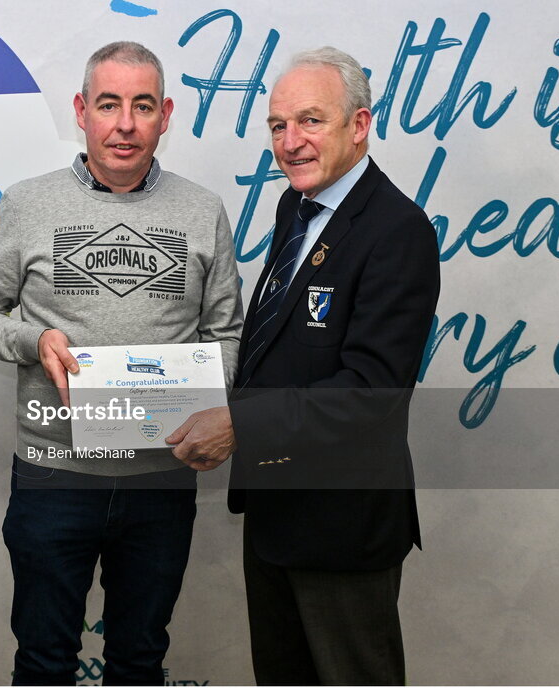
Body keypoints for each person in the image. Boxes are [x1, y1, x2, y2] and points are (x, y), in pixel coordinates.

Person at [0, 41, 242, 686]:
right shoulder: (27, 204)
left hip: (161, 479)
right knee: (43, 660)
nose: (125, 124)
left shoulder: (203, 211)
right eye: (109, 105)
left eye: (143, 106)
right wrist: (35, 341)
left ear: (166, 115)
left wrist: (204, 402)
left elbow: (227, 334)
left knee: (139, 661)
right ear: (82, 111)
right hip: (53, 475)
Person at [167, 46, 440, 685]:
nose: (290, 143)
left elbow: (371, 393)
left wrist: (239, 425)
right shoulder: (297, 207)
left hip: (342, 530)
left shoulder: (398, 230)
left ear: (359, 125)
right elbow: (275, 349)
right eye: (278, 125)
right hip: (276, 515)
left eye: (310, 121)